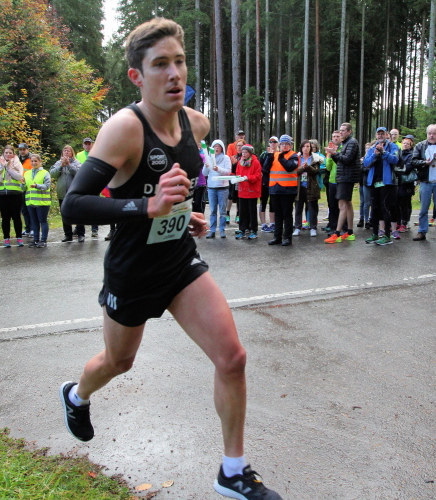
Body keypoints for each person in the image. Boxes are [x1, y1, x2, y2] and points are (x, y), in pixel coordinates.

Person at [58, 18, 281, 499]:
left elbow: (174, 188)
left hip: (179, 260)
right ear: (137, 76)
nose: (174, 73)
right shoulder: (124, 128)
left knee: (232, 357)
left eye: (179, 61)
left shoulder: (195, 124)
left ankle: (233, 471)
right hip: (132, 269)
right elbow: (73, 205)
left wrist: (186, 213)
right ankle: (76, 394)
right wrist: (148, 207)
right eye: (160, 64)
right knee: (119, 362)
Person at [363, 127, 401, 245]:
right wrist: (375, 155)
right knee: (374, 209)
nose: (380, 136)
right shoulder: (372, 148)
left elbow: (395, 159)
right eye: (378, 134)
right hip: (374, 182)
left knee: (385, 208)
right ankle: (375, 234)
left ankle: (387, 235)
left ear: (386, 135)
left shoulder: (393, 146)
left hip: (387, 182)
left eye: (382, 134)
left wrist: (383, 152)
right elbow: (365, 163)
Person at [324, 122, 360, 243]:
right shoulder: (345, 143)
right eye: (340, 130)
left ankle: (337, 233)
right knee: (348, 204)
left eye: (343, 130)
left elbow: (347, 159)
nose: (341, 132)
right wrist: (333, 154)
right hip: (343, 176)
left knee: (342, 205)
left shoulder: (352, 142)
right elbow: (340, 161)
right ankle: (349, 232)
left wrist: (334, 153)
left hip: (347, 177)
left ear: (349, 131)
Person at [263, 134, 299, 246]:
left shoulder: (293, 155)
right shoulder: (274, 155)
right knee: (278, 215)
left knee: (287, 214)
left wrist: (281, 158)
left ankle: (287, 237)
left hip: (288, 190)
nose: (284, 146)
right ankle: (277, 237)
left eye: (286, 144)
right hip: (275, 189)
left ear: (290, 145)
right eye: (282, 144)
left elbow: (289, 167)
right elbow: (265, 169)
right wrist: (269, 156)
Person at [0, 145, 25, 248]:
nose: (8, 154)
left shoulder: (17, 163)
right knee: (5, 217)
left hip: (15, 194)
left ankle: (19, 237)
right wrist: (2, 167)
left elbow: (19, 176)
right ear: (3, 154)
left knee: (16, 216)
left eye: (10, 153)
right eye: (6, 153)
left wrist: (9, 168)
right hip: (1, 194)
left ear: (13, 154)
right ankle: (6, 238)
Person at [50, 145, 85, 243]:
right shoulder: (58, 163)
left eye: (68, 151)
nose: (66, 152)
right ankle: (68, 234)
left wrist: (69, 165)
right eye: (64, 150)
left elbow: (79, 173)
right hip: (62, 193)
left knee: (77, 214)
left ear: (72, 153)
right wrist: (61, 166)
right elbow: (52, 174)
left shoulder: (77, 163)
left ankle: (80, 234)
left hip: (74, 193)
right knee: (64, 214)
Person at [293, 140, 323, 237]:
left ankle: (313, 227)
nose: (306, 148)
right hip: (299, 187)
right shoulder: (297, 158)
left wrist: (308, 167)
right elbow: (294, 171)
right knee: (298, 208)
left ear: (310, 148)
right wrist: (303, 168)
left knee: (312, 208)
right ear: (301, 148)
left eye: (308, 146)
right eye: (304, 146)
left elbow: (316, 171)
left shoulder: (315, 158)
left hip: (311, 187)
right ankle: (297, 227)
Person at [204, 139, 232, 238]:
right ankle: (212, 230)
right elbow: (204, 173)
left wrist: (218, 169)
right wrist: (206, 166)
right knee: (212, 211)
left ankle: (222, 230)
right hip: (211, 188)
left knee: (222, 211)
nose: (216, 148)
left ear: (222, 148)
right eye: (215, 146)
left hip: (223, 188)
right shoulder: (209, 158)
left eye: (218, 146)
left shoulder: (226, 158)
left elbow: (228, 172)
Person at [23, 154, 51, 247]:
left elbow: (47, 186)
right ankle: (35, 240)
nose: (34, 163)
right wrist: (22, 184)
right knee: (34, 222)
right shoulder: (27, 173)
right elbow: (24, 188)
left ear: (40, 162)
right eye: (32, 161)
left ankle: (43, 240)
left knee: (43, 221)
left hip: (42, 202)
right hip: (30, 202)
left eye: (35, 161)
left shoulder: (45, 173)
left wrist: (37, 186)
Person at [234, 144, 262, 239]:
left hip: (252, 191)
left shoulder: (256, 162)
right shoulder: (240, 162)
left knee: (252, 212)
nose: (244, 154)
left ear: (250, 153)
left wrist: (248, 178)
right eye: (242, 152)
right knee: (242, 211)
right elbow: (237, 173)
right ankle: (242, 229)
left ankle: (253, 230)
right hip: (242, 191)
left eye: (245, 152)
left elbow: (258, 176)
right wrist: (237, 178)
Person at [76, 137, 99, 238]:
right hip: (82, 183)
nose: (87, 145)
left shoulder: (97, 153)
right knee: (81, 206)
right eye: (86, 144)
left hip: (94, 183)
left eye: (89, 143)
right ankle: (79, 228)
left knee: (94, 206)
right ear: (83, 145)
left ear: (92, 144)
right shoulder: (79, 155)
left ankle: (94, 229)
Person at [395, 135, 416, 232]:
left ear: (411, 145)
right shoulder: (398, 153)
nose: (405, 145)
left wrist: (398, 168)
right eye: (404, 143)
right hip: (398, 183)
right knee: (397, 203)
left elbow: (407, 168)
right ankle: (398, 222)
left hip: (407, 183)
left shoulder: (411, 155)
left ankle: (404, 222)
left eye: (408, 144)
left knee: (405, 204)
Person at [258, 136, 277, 232]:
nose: (273, 143)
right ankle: (263, 224)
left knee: (273, 203)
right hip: (265, 182)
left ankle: (272, 223)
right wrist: (270, 156)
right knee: (263, 203)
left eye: (274, 142)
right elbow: (262, 168)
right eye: (271, 142)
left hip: (275, 182)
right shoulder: (264, 154)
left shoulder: (279, 154)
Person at [324, 130, 341, 233]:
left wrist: (335, 153)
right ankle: (333, 226)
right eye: (334, 136)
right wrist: (329, 156)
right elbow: (328, 167)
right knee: (332, 205)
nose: (335, 138)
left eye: (337, 136)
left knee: (341, 206)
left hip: (341, 181)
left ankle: (342, 227)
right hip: (332, 181)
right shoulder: (330, 151)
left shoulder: (343, 148)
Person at [18, 143, 33, 236]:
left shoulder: (31, 159)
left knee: (30, 209)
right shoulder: (17, 160)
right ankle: (27, 228)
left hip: (29, 187)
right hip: (20, 187)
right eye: (20, 150)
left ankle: (33, 228)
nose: (22, 151)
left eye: (24, 149)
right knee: (24, 210)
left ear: (27, 149)